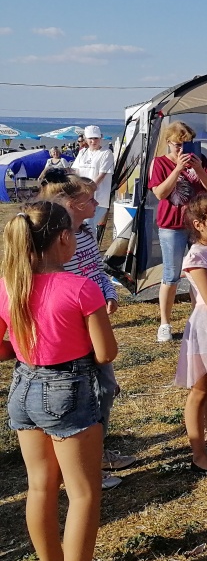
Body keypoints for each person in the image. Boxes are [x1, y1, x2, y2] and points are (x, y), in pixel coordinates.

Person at [0, 201, 129, 561]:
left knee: (40, 486)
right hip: (67, 389)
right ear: (63, 238)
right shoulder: (80, 288)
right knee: (84, 493)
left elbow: (4, 346)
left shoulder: (8, 284)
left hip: (23, 384)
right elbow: (106, 351)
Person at [37, 172, 136, 491]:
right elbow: (61, 281)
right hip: (73, 322)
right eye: (90, 198)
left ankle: (96, 453)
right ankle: (84, 463)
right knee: (91, 390)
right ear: (70, 204)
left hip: (91, 314)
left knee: (103, 388)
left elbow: (95, 270)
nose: (97, 203)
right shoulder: (56, 240)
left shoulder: (87, 231)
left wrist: (108, 293)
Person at [148, 121, 207, 343]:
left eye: (187, 145)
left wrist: (197, 168)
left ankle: (200, 317)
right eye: (178, 145)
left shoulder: (201, 160)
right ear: (168, 143)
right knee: (171, 274)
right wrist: (178, 168)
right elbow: (160, 194)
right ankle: (165, 323)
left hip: (198, 224)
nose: (182, 150)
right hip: (171, 225)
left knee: (200, 272)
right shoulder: (159, 163)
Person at [176, 193, 207, 473]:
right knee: (199, 390)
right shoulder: (197, 256)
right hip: (205, 331)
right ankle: (198, 454)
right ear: (198, 224)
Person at [70, 125, 115, 232]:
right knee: (81, 225)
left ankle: (92, 248)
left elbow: (102, 175)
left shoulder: (106, 153)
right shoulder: (82, 152)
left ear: (101, 138)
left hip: (98, 198)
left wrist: (88, 189)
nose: (93, 141)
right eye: (90, 138)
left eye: (96, 138)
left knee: (89, 226)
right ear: (85, 139)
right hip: (82, 197)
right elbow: (75, 171)